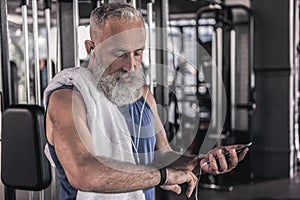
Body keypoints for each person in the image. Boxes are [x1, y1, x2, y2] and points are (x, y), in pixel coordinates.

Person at [43, 2, 249, 200]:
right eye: (119, 54)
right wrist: (164, 176)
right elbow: (84, 173)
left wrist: (200, 162)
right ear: (91, 49)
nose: (130, 66)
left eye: (137, 53)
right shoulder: (67, 98)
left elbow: (161, 157)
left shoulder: (141, 93)